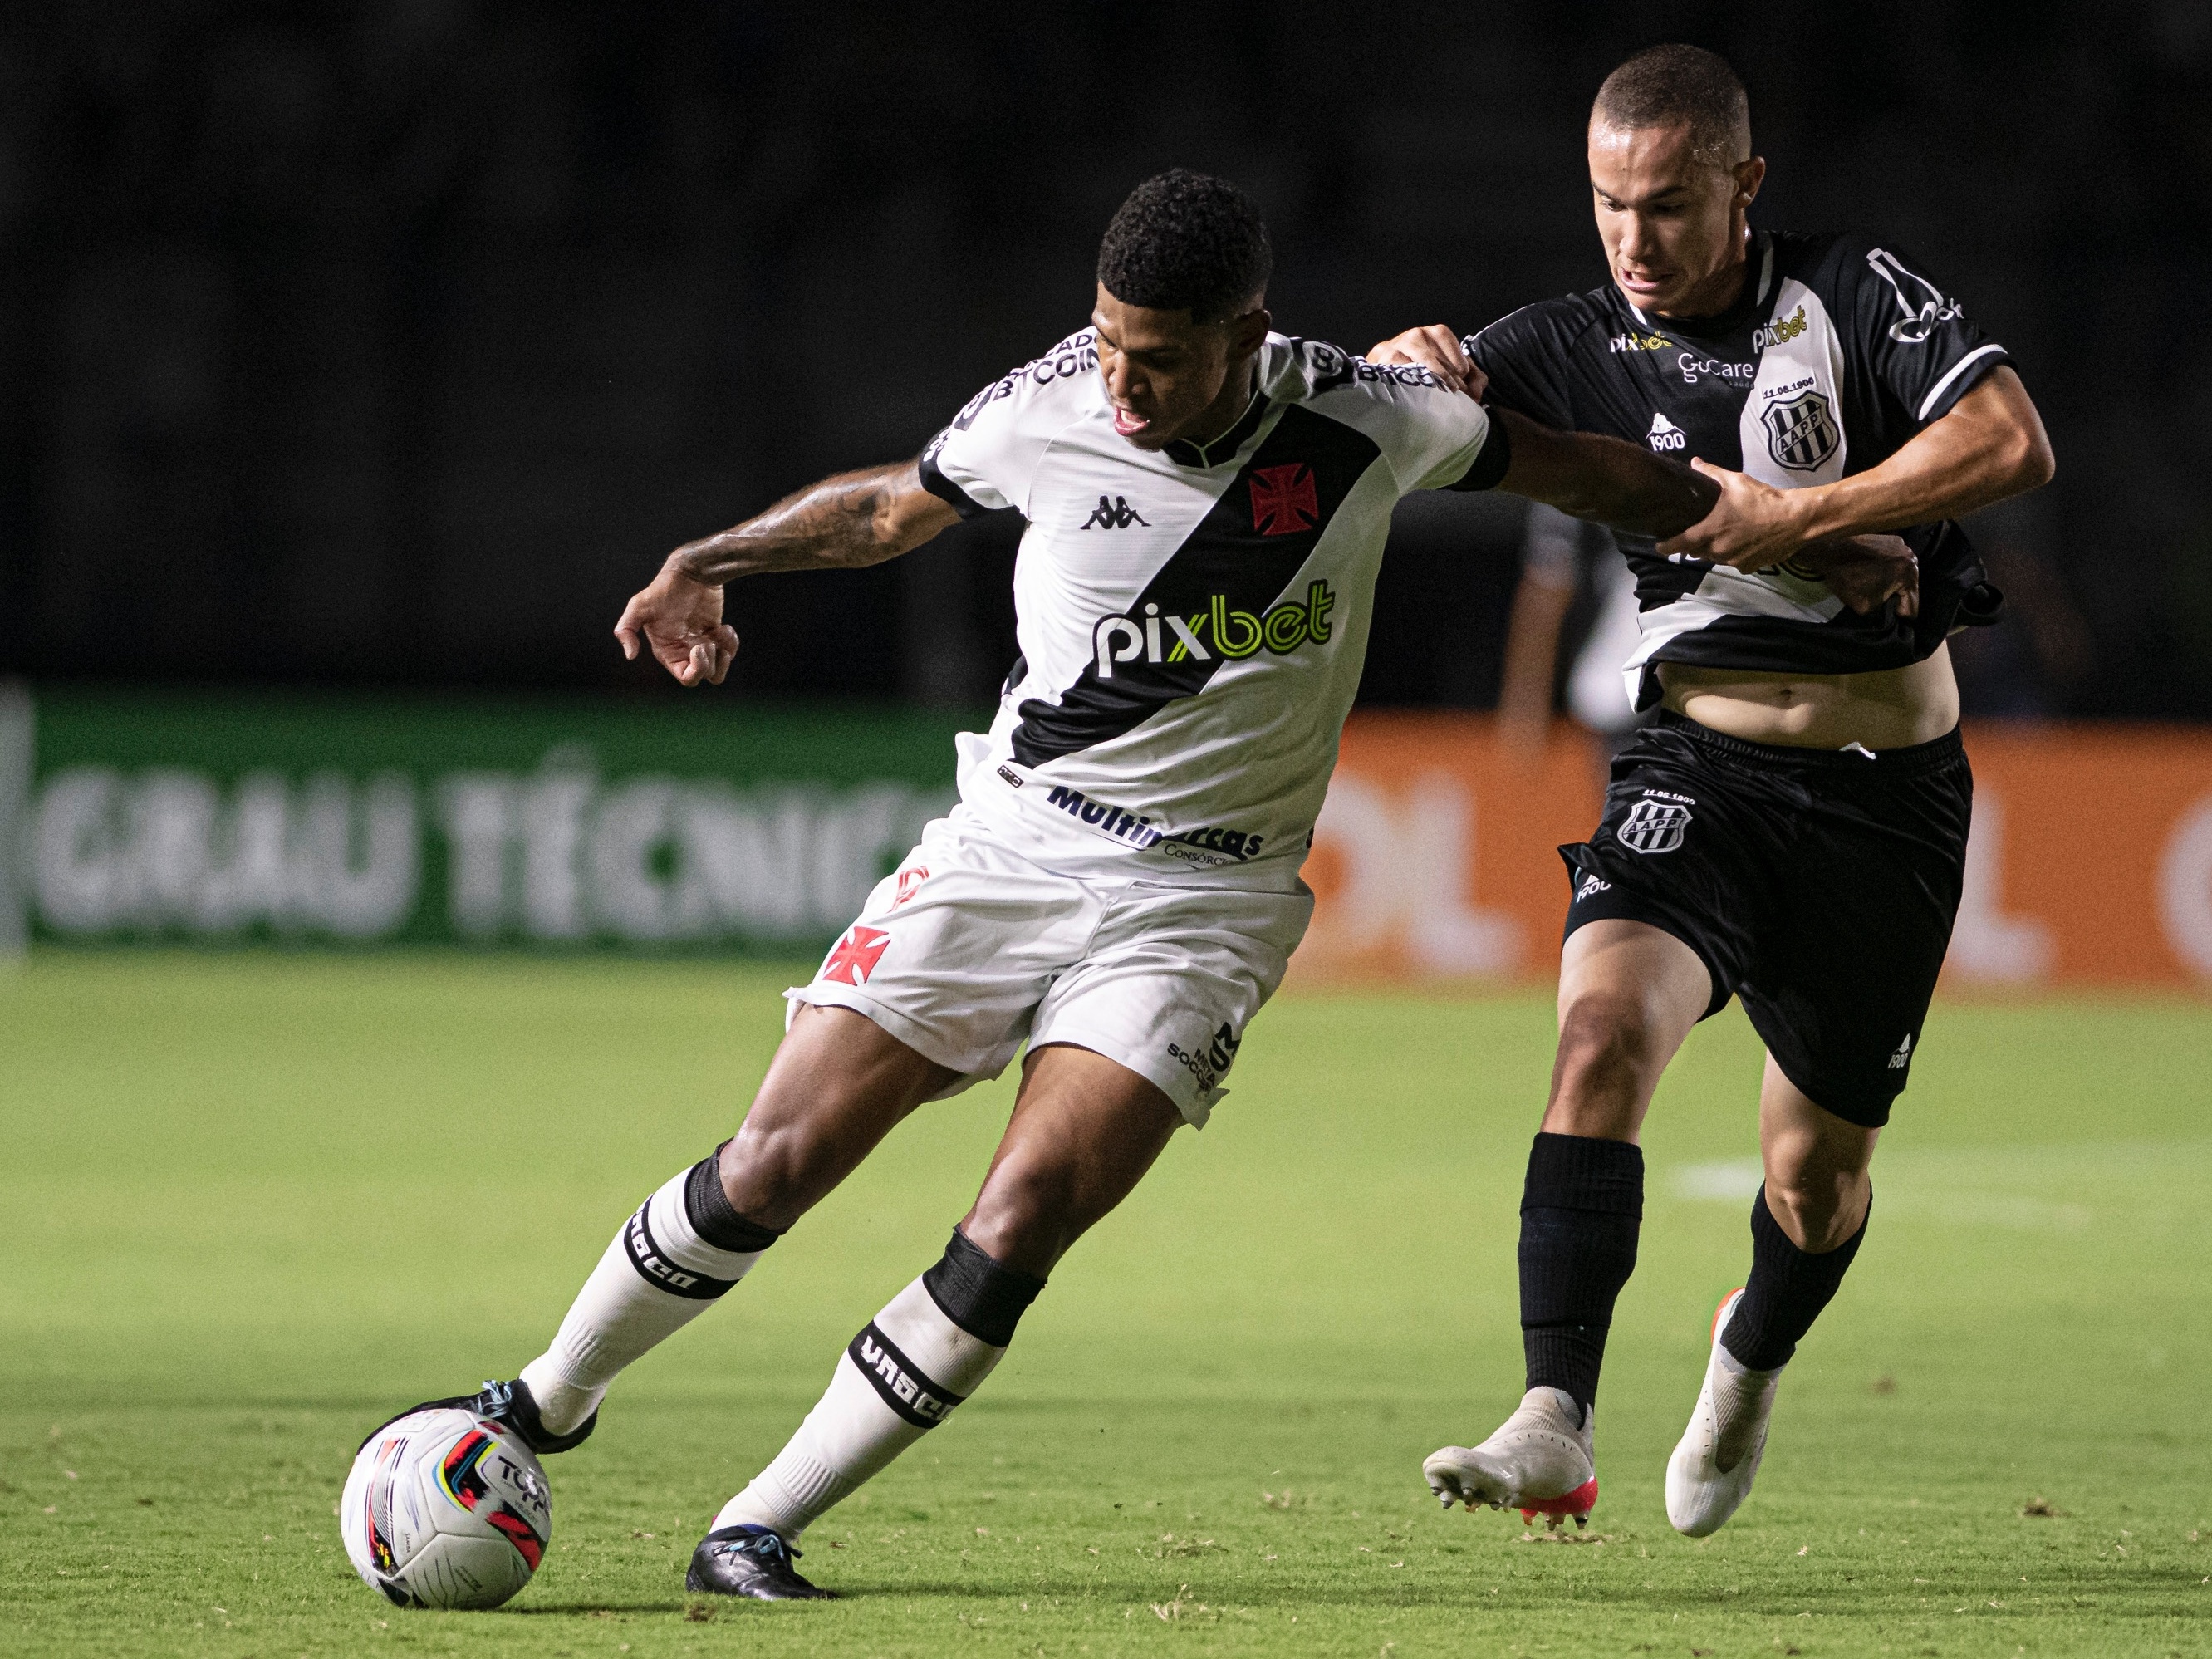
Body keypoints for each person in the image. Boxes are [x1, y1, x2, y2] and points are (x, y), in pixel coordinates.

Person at [364, 168, 1887, 1600]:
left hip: (1200, 911)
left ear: (1245, 337)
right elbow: (893, 503)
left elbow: (1600, 471)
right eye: (1106, 346)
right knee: (775, 1155)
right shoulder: (1045, 410)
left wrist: (1812, 549)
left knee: (1020, 1210)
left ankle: (754, 1526)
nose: (1120, 383)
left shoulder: (1367, 422)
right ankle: (544, 1398)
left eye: (1155, 358)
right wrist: (714, 557)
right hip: (1010, 847)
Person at [1369, 43, 2054, 1538]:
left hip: (1886, 796)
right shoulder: (1566, 339)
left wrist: (1803, 514)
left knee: (1812, 1182)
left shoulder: (1851, 296)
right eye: (1609, 204)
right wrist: (1408, 368)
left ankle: (1744, 1357)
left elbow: (2010, 440)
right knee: (1601, 1029)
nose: (1632, 239)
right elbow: (1406, 409)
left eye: (1668, 205)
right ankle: (1553, 1411)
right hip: (1697, 767)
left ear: (1744, 187)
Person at [1498, 501, 1648, 757]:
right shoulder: (1570, 490)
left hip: (1696, 680)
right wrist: (1525, 714)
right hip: (1622, 692)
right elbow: (1546, 593)